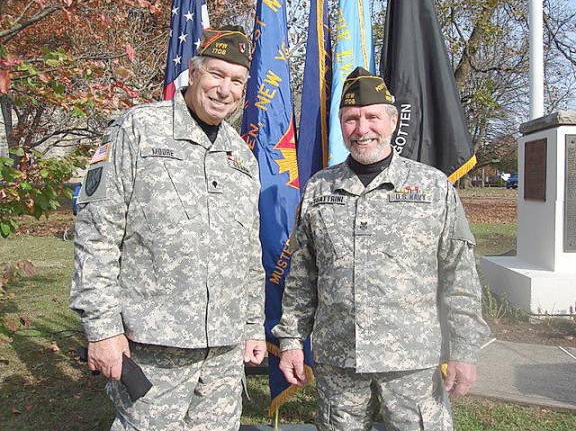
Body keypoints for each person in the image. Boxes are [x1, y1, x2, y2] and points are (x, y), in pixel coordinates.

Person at [70, 26, 266, 431]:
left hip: (223, 353)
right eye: (216, 74)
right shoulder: (137, 129)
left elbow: (249, 252)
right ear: (193, 74)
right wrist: (103, 330)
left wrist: (252, 327)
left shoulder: (241, 155)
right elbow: (97, 234)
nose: (224, 89)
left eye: (236, 80)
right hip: (154, 346)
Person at [272, 67, 490, 431]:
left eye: (372, 117)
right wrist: (292, 340)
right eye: (351, 119)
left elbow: (460, 274)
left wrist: (465, 350)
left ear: (392, 122)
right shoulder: (318, 189)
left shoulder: (432, 187)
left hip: (411, 364)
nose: (362, 129)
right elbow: (302, 276)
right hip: (340, 362)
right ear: (341, 125)